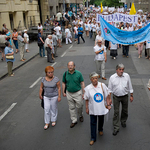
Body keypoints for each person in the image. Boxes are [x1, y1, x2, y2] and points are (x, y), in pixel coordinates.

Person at [84, 72, 111, 145]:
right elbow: (86, 99)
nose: (95, 80)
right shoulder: (88, 88)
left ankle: (100, 129)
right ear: (90, 79)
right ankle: (93, 138)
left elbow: (107, 95)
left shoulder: (102, 85)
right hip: (92, 108)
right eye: (93, 78)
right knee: (93, 122)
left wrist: (108, 104)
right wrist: (87, 108)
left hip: (101, 107)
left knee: (101, 119)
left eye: (96, 78)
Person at [108, 64, 134, 136]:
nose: (121, 71)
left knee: (125, 110)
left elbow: (130, 86)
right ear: (117, 70)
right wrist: (109, 99)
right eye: (120, 69)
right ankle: (116, 127)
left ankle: (123, 121)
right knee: (116, 112)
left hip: (125, 96)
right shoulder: (112, 77)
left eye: (122, 69)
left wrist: (131, 95)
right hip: (116, 97)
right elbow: (109, 89)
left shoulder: (127, 76)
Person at [62, 61, 85, 128]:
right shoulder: (65, 74)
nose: (70, 66)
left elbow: (82, 82)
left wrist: (84, 92)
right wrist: (63, 91)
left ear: (74, 66)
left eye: (71, 65)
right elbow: (63, 83)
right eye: (69, 65)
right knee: (71, 107)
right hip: (69, 93)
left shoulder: (78, 73)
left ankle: (80, 115)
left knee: (80, 105)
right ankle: (74, 120)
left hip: (77, 93)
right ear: (67, 66)